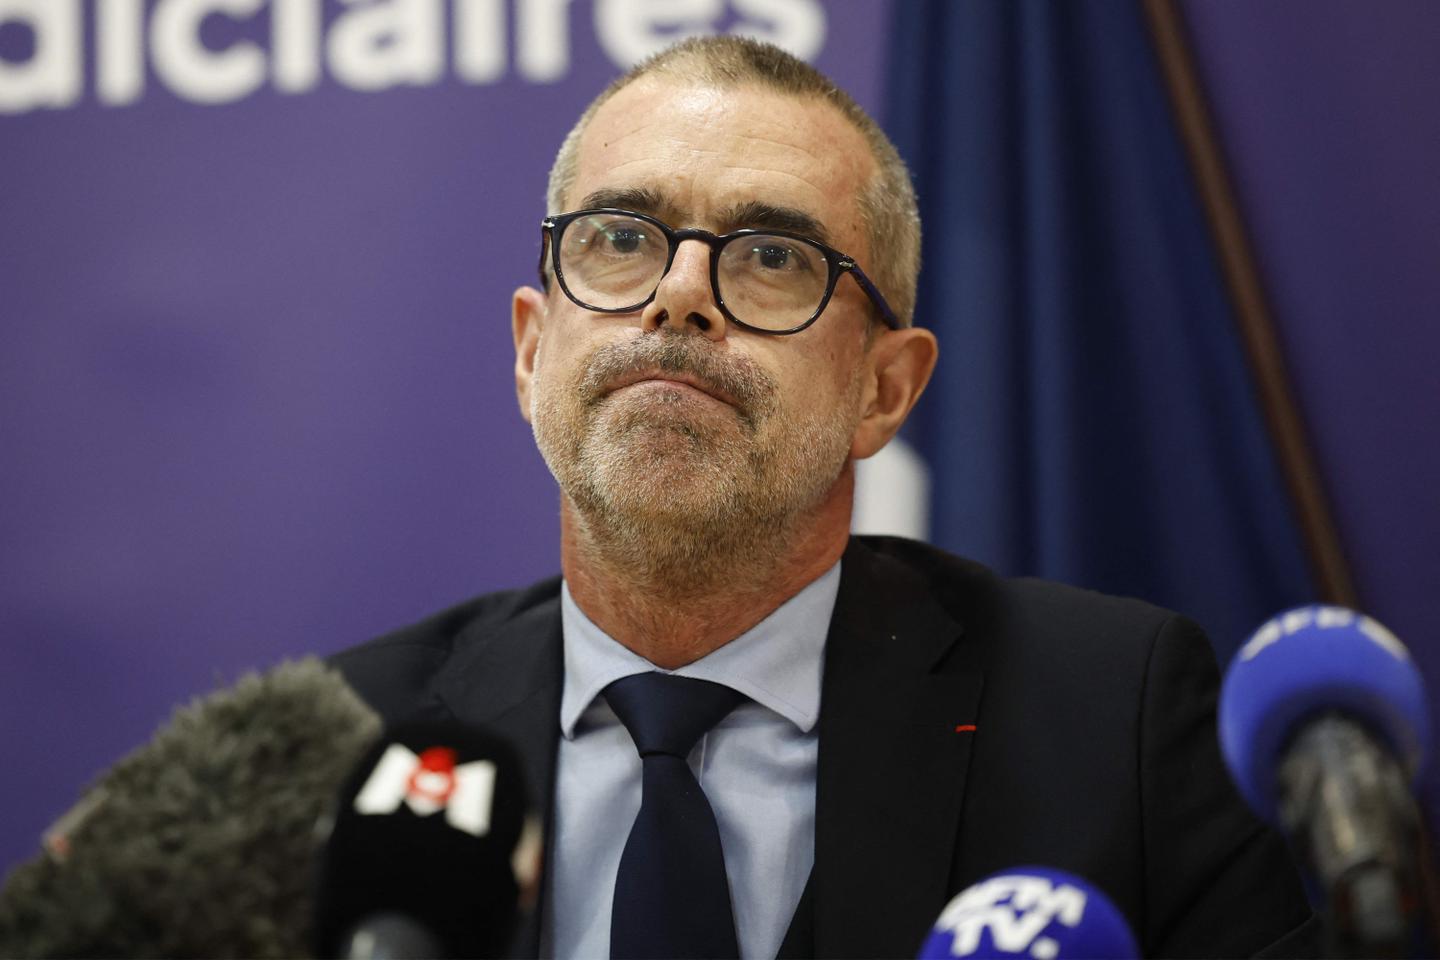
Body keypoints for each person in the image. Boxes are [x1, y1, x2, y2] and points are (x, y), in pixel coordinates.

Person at [334, 35, 1315, 959]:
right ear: (531, 350)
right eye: (622, 237)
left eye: (772, 257)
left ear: (884, 390)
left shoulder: (1113, 722)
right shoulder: (343, 747)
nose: (679, 294)